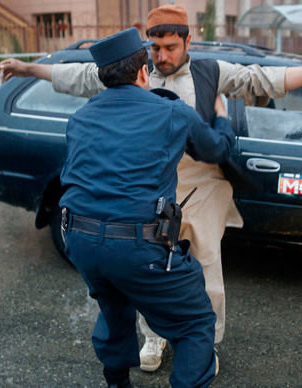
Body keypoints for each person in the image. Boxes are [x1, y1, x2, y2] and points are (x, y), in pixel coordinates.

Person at [0, 4, 302, 372]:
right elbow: (75, 74)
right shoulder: (134, 70)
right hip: (150, 194)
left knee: (205, 268)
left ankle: (204, 345)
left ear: (188, 40)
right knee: (148, 269)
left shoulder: (211, 71)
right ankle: (153, 338)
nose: (162, 57)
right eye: (155, 49)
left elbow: (263, 78)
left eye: (170, 47)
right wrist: (27, 69)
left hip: (200, 187)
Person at [60, 26, 235, 388]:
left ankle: (117, 382)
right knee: (195, 322)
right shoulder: (172, 113)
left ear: (104, 78)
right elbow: (215, 149)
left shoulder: (80, 119)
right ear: (143, 72)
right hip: (139, 246)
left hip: (78, 240)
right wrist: (223, 118)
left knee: (115, 302)